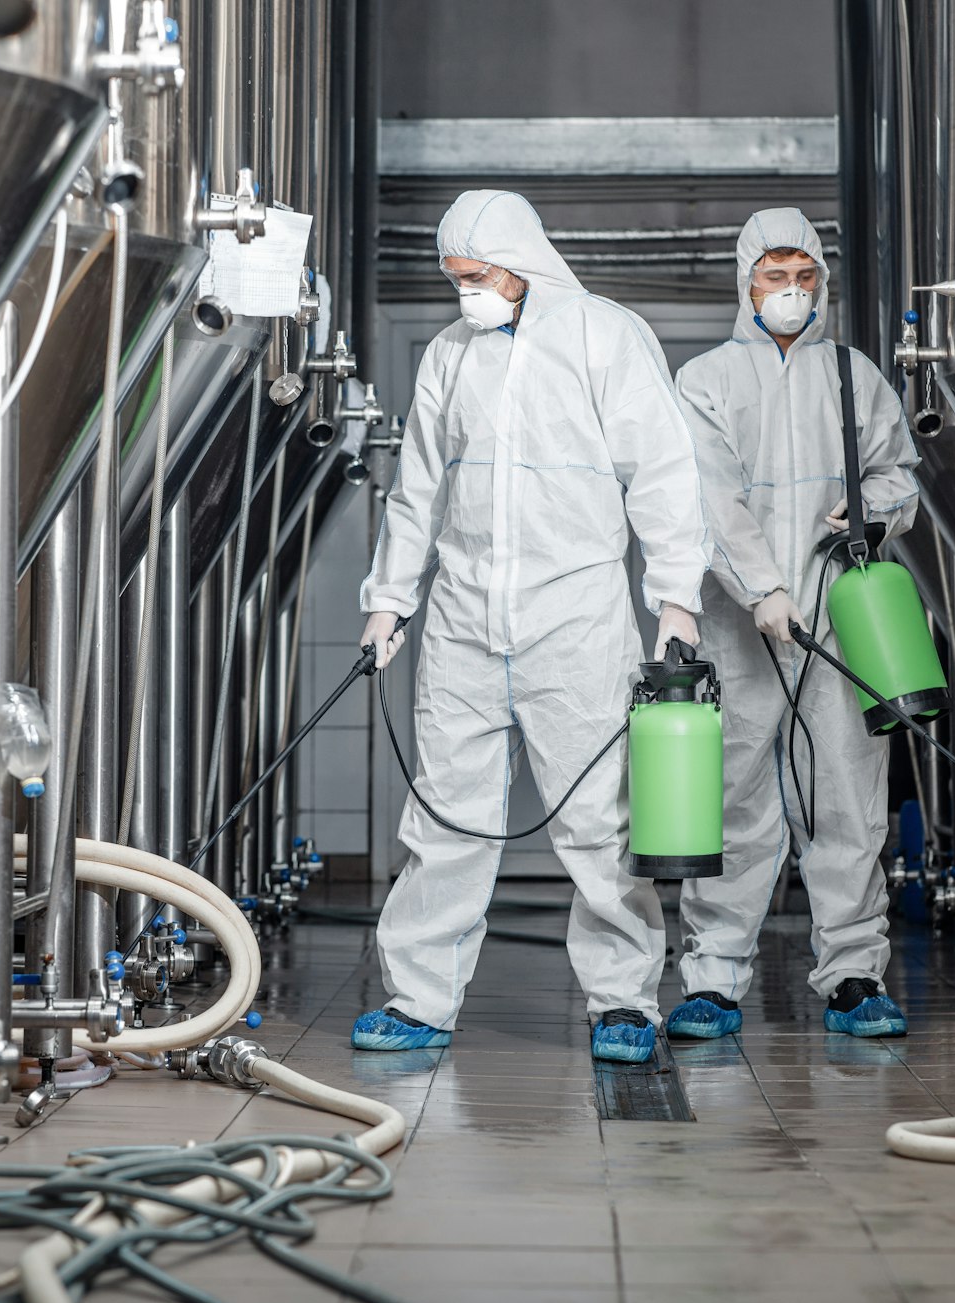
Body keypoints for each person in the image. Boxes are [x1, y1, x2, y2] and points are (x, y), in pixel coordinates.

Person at [352, 189, 709, 1064]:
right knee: (444, 818)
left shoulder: (602, 334)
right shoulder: (448, 354)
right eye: (454, 280)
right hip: (466, 619)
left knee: (597, 821)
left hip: (575, 616)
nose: (463, 293)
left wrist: (675, 597)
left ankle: (624, 1000)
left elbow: (661, 469)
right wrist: (390, 597)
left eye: (475, 277)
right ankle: (420, 999)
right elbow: (420, 489)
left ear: (518, 265)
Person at [665, 207, 921, 1041]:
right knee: (734, 795)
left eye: (805, 276)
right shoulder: (706, 380)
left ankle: (853, 972)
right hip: (741, 625)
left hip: (839, 615)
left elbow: (899, 476)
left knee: (846, 793)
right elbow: (710, 496)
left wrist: (874, 508)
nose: (792, 292)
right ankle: (712, 976)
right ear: (746, 283)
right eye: (775, 277)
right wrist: (762, 586)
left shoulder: (854, 374)